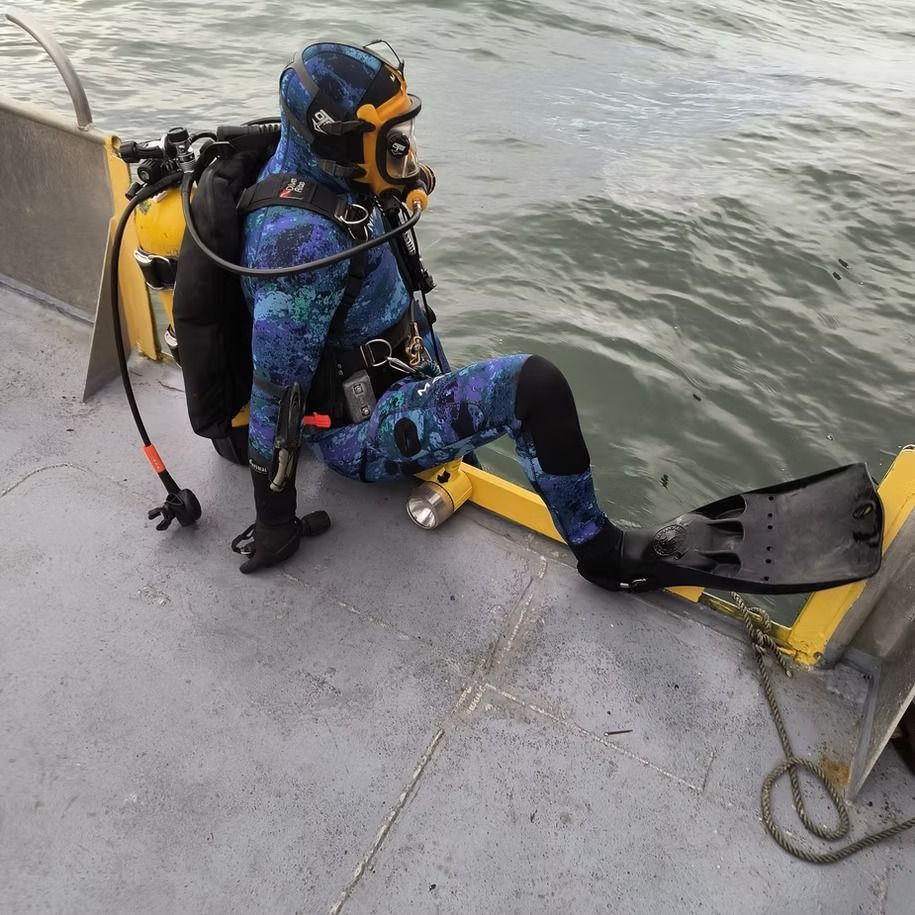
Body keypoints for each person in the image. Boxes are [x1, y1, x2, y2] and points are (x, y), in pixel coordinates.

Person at [234, 40, 882, 596]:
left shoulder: (336, 176)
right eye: (388, 143)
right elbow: (275, 399)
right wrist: (275, 520)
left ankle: (465, 450)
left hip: (390, 364)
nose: (403, 155)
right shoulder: (297, 245)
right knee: (533, 388)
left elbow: (380, 202)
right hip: (359, 428)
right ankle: (603, 554)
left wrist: (399, 177)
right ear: (339, 144)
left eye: (401, 135)